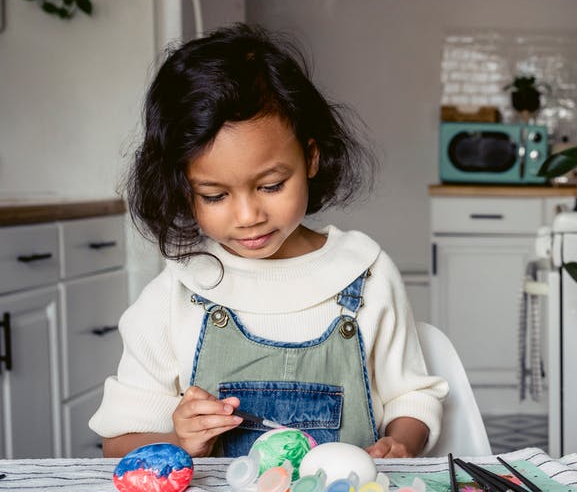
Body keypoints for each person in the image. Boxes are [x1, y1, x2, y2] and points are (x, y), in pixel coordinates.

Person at [90, 24, 447, 459]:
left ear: (311, 158)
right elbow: (119, 443)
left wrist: (401, 444)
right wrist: (180, 441)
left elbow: (412, 398)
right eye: (215, 195)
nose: (248, 216)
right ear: (182, 187)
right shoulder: (178, 292)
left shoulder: (365, 272)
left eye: (272, 185)